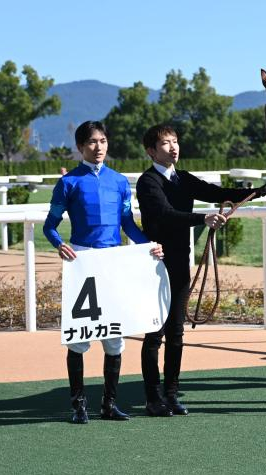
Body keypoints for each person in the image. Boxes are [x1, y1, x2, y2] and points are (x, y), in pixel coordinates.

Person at [136, 124, 266, 417]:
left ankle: (171, 394)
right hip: (153, 266)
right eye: (165, 143)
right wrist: (203, 218)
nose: (173, 147)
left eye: (175, 141)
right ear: (151, 151)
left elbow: (218, 191)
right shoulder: (148, 182)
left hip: (179, 263)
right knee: (155, 333)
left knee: (176, 332)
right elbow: (164, 213)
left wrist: (263, 191)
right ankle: (152, 397)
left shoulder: (183, 179)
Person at [44, 120, 163, 424]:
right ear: (80, 147)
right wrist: (59, 244)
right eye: (92, 143)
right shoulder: (68, 183)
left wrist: (148, 245)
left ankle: (109, 405)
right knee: (79, 340)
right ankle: (78, 405)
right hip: (82, 261)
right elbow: (50, 225)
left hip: (113, 262)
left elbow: (127, 225)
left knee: (115, 338)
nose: (99, 148)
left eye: (103, 141)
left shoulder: (120, 182)